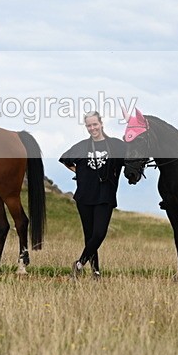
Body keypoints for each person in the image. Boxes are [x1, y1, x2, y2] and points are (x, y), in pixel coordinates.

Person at [60, 111, 126, 279]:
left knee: (99, 233)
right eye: (89, 125)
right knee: (89, 235)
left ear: (101, 123)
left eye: (95, 124)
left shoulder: (116, 145)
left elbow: (133, 158)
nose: (92, 128)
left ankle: (79, 263)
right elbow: (65, 159)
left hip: (106, 195)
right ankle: (95, 271)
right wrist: (79, 173)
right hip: (84, 196)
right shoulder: (82, 146)